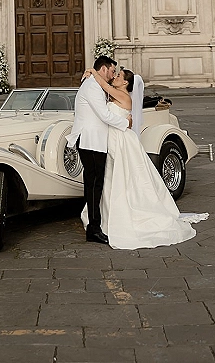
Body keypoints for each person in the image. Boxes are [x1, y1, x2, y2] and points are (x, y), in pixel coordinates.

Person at [81, 66, 208, 249]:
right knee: (110, 176)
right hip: (112, 139)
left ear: (125, 82)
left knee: (123, 177)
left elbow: (104, 86)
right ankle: (102, 216)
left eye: (118, 76)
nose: (115, 77)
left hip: (121, 140)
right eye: (115, 74)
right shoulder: (116, 93)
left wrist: (93, 72)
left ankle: (121, 215)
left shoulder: (123, 97)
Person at [66, 55, 130, 244]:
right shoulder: (92, 86)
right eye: (111, 71)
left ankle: (94, 226)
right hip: (90, 141)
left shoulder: (94, 83)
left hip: (94, 141)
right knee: (94, 185)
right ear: (103, 69)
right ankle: (94, 228)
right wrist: (125, 122)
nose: (112, 75)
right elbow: (104, 115)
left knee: (95, 185)